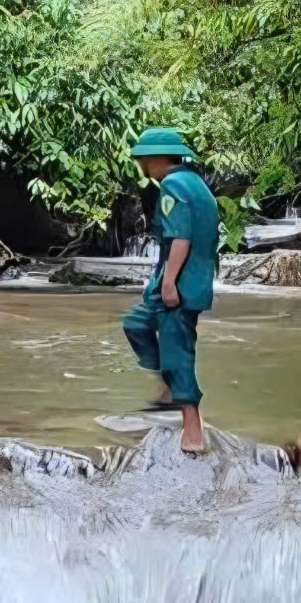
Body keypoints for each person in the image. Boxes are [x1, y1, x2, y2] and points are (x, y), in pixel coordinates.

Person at [119, 126, 218, 456]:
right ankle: (167, 387)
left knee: (177, 351)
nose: (142, 166)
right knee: (136, 323)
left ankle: (193, 430)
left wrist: (170, 282)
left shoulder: (174, 185)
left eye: (144, 159)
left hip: (180, 281)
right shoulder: (195, 182)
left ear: (157, 158)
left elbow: (182, 237)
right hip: (186, 277)